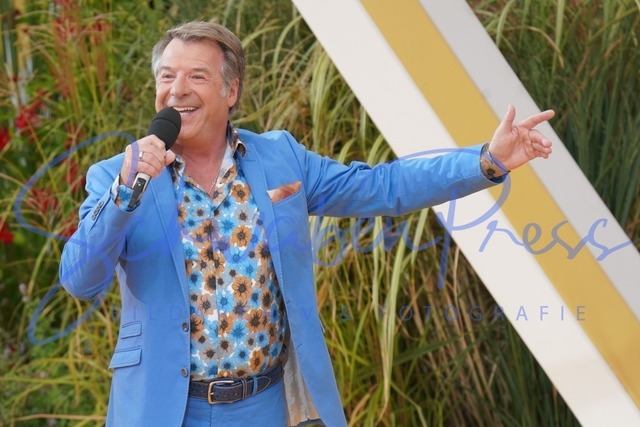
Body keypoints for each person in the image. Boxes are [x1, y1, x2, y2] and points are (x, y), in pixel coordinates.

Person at [59, 21, 554, 427]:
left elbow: (383, 186)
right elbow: (80, 280)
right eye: (167, 76)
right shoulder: (118, 176)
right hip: (163, 409)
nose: (177, 90)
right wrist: (124, 195)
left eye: (197, 77)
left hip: (263, 406)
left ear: (231, 90)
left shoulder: (280, 158)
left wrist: (485, 161)